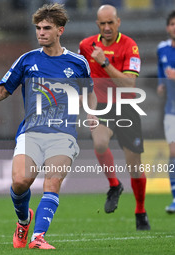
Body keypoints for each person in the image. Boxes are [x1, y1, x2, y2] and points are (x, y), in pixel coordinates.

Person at [0, 3, 97, 249]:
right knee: (20, 182)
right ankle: (24, 220)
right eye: (38, 28)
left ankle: (38, 237)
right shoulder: (27, 60)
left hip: (63, 134)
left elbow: (89, 92)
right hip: (31, 132)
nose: (41, 32)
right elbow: (4, 89)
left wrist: (91, 113)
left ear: (60, 30)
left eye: (47, 28)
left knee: (51, 182)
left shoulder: (77, 63)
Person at [79, 5, 150, 230]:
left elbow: (129, 84)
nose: (107, 27)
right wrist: (89, 108)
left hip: (127, 106)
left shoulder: (130, 46)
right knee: (99, 143)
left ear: (118, 22)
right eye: (102, 23)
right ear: (97, 24)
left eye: (111, 22)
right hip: (102, 105)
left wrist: (105, 63)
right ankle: (114, 185)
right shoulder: (85, 45)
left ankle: (140, 210)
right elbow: (86, 80)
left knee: (135, 167)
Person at [157, 10, 175, 213]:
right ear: (167, 27)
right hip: (171, 109)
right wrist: (162, 84)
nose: (174, 27)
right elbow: (162, 73)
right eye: (171, 24)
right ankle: (174, 197)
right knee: (173, 153)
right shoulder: (162, 49)